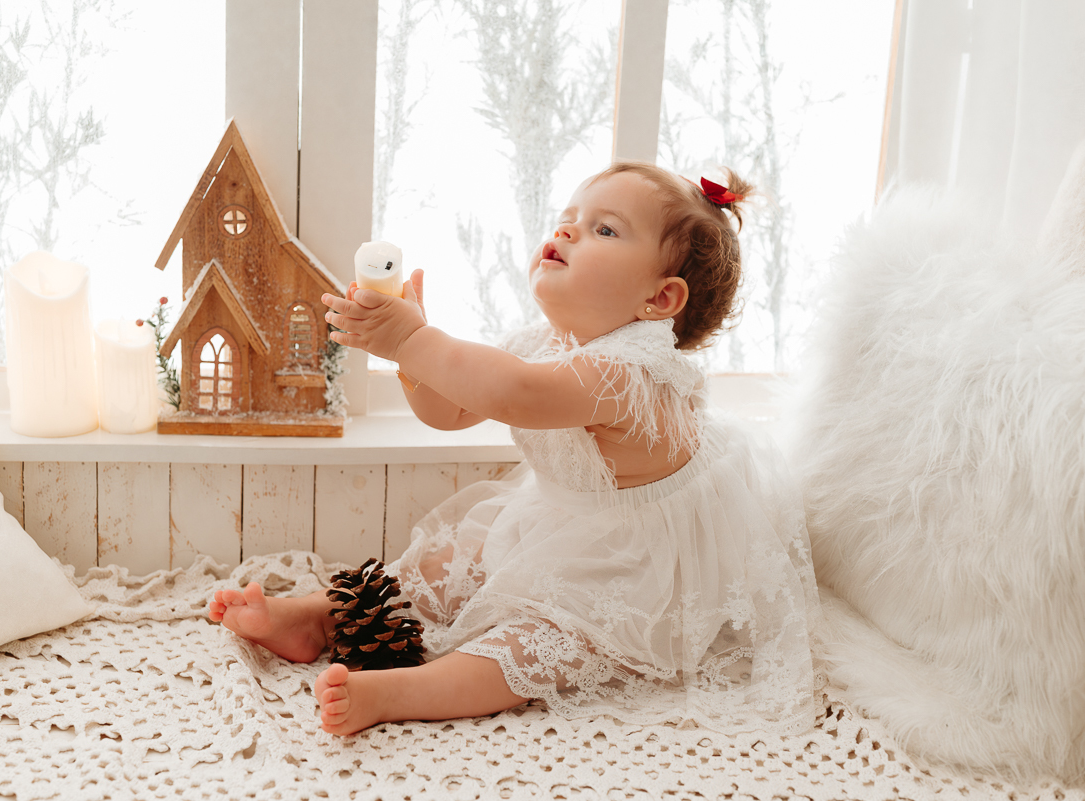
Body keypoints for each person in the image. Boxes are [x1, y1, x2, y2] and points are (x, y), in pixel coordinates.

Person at [209, 161, 822, 737]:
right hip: (559, 519)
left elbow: (515, 394)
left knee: (538, 645)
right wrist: (409, 358)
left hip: (634, 562)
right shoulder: (544, 340)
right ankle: (320, 615)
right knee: (441, 565)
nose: (567, 229)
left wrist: (414, 340)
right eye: (571, 216)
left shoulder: (634, 373)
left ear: (659, 300)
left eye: (603, 229)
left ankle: (403, 692)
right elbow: (448, 410)